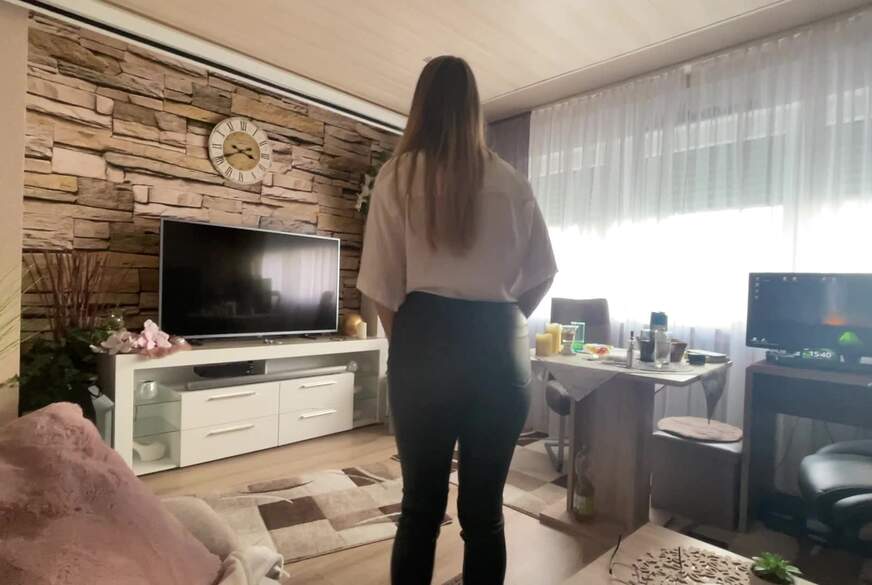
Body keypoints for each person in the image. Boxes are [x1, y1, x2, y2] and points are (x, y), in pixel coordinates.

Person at [357, 55, 557, 585]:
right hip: (500, 348)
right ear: (474, 109)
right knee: (484, 514)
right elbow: (542, 274)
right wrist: (501, 325)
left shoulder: (398, 176)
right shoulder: (512, 182)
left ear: (420, 105)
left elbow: (381, 286)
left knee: (419, 510)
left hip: (425, 343)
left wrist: (414, 345)